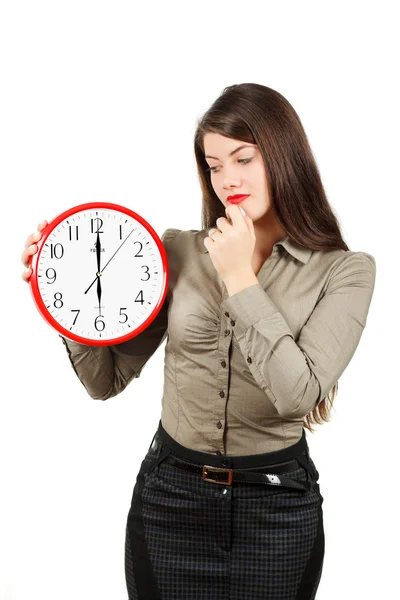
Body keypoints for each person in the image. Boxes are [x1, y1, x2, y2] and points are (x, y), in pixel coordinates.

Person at [21, 82, 376, 600]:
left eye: (243, 158)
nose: (227, 179)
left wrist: (239, 279)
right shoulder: (177, 252)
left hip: (278, 510)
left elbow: (298, 395)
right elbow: (105, 380)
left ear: (283, 155)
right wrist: (66, 295)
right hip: (169, 499)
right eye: (214, 165)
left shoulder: (346, 271)